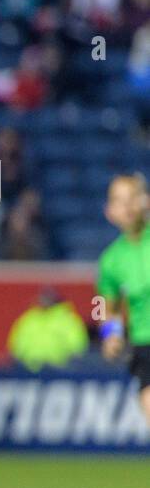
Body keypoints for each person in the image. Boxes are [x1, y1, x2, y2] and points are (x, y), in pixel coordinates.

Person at [96, 174, 150, 425]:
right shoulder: (111, 260)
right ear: (109, 211)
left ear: (146, 201)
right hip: (144, 344)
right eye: (119, 200)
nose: (127, 206)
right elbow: (106, 307)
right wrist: (111, 335)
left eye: (132, 198)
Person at [7, 287, 88, 371]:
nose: (45, 301)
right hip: (29, 369)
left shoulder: (66, 319)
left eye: (48, 298)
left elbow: (77, 346)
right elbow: (16, 344)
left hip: (58, 369)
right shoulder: (29, 319)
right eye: (44, 298)